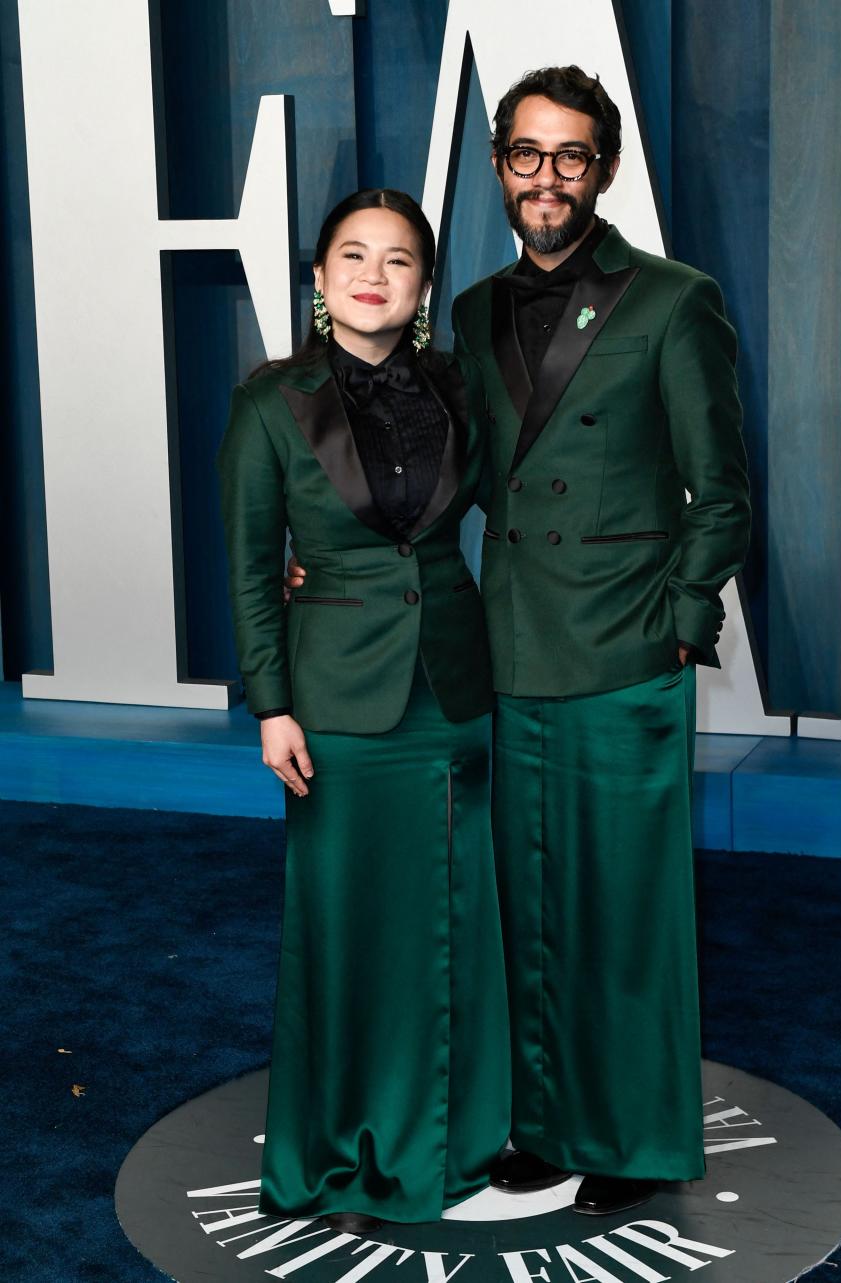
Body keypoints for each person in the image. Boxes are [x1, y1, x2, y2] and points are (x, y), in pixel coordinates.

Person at [292, 67, 751, 1219]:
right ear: (499, 164)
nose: (549, 177)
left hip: (623, 653)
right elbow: (458, 473)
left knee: (626, 907)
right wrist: (334, 546)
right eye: (528, 154)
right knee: (526, 904)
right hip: (503, 653)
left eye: (573, 155)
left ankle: (635, 1137)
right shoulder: (479, 307)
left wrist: (679, 629)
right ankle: (542, 1125)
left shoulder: (672, 299)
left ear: (605, 168)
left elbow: (724, 493)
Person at [217, 188, 510, 1233]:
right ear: (319, 275)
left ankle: (463, 1139)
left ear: (424, 286)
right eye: (353, 253)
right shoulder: (268, 401)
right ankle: (338, 1149)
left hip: (453, 693)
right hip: (334, 705)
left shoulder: (460, 388)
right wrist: (272, 706)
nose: (373, 273)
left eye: (399, 259)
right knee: (345, 929)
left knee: (460, 919)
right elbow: (254, 569)